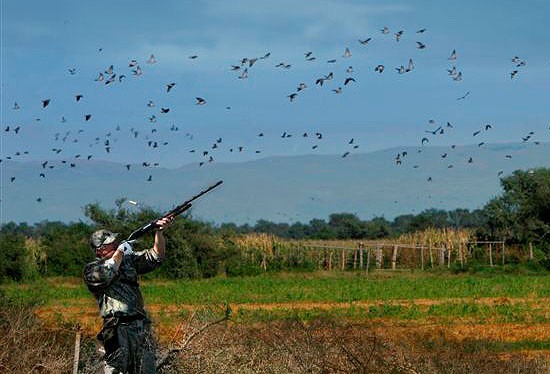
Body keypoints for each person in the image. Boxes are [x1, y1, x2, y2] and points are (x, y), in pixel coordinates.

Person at [83, 217, 173, 374]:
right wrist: (120, 252)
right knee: (116, 370)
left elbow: (157, 256)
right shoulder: (92, 270)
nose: (116, 243)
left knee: (146, 370)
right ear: (99, 250)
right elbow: (108, 272)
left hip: (139, 327)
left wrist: (159, 232)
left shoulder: (128, 260)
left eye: (115, 242)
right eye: (110, 243)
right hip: (117, 330)